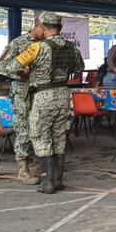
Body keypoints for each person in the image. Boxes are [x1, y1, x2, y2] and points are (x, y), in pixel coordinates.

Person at [26, 13, 84, 194]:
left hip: (43, 96)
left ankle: (47, 183)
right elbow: (79, 67)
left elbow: (11, 66)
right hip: (63, 95)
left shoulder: (37, 47)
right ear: (60, 27)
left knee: (41, 136)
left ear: (43, 27)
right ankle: (58, 180)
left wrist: (28, 70)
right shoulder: (71, 47)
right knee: (59, 138)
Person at [0, 19, 46, 185]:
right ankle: (23, 171)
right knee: (23, 131)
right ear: (37, 26)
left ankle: (37, 166)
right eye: (44, 29)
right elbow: (2, 66)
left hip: (41, 93)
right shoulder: (18, 43)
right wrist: (20, 72)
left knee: (39, 130)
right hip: (23, 94)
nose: (46, 33)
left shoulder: (47, 44)